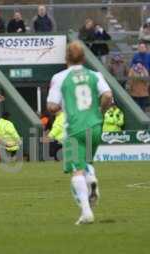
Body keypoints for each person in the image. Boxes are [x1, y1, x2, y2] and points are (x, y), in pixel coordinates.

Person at [46, 41, 113, 225]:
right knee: (86, 162)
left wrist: (59, 106)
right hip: (96, 125)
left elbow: (51, 106)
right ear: (84, 57)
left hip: (75, 128)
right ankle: (91, 180)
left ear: (66, 57)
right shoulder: (95, 75)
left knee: (76, 170)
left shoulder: (60, 77)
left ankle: (86, 211)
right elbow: (108, 95)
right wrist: (100, 111)